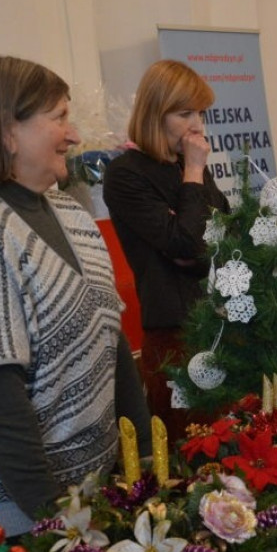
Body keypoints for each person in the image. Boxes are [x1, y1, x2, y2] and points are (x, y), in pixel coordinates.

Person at [0, 55, 151, 537]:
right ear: (7, 131)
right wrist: (55, 516)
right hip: (18, 524)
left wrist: (144, 457)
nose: (75, 134)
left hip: (90, 503)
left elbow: (110, 342)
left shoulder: (66, 210)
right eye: (59, 117)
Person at [104, 60, 230, 443]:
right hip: (175, 334)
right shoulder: (127, 173)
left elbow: (223, 236)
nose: (197, 125)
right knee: (192, 450)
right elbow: (188, 243)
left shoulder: (186, 165)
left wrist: (192, 243)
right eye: (184, 113)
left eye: (201, 113)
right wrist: (193, 173)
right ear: (156, 114)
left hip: (221, 325)